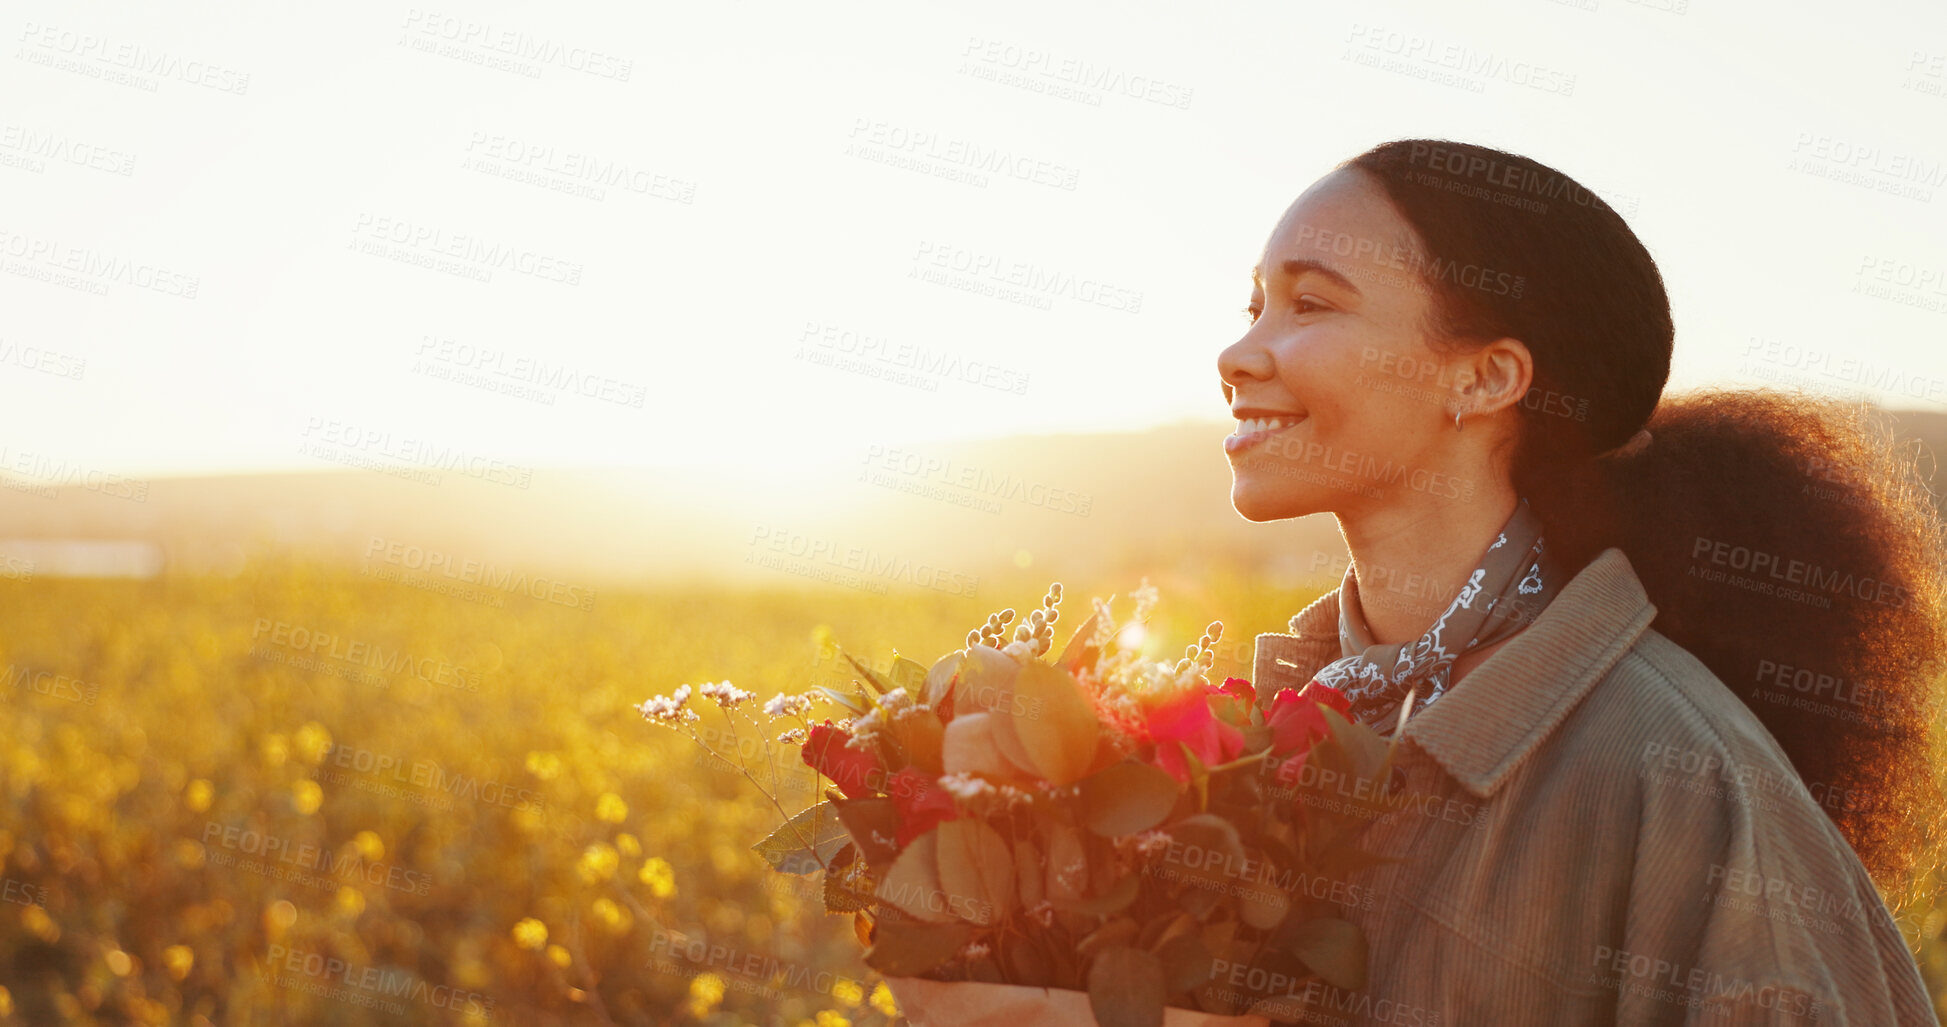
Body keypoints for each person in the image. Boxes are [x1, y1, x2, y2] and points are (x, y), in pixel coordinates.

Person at [1216, 138, 1947, 1025]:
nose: (1238, 353)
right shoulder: (1261, 727)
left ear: (1485, 377)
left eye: (1309, 303)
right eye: (1255, 304)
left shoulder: (1676, 773)